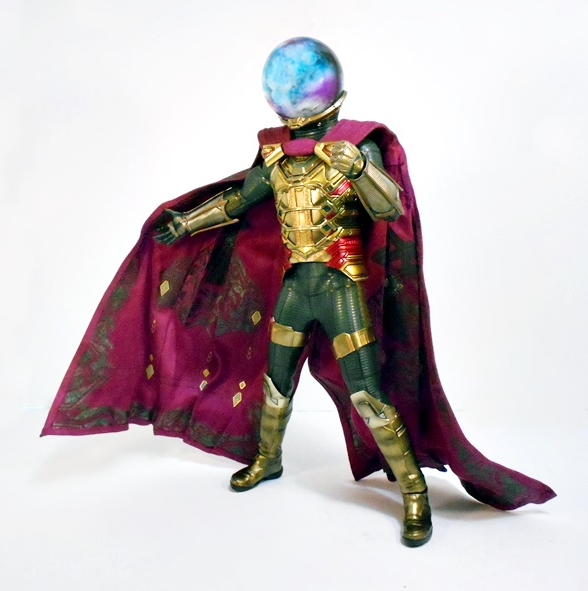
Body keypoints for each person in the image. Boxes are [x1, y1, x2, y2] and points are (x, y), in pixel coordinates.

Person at [42, 37, 555, 548]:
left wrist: (360, 168)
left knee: (367, 394)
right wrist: (187, 223)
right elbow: (238, 202)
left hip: (340, 286)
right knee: (276, 382)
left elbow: (390, 207)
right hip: (295, 287)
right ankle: (268, 458)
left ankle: (414, 491)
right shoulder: (276, 156)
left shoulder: (358, 146)